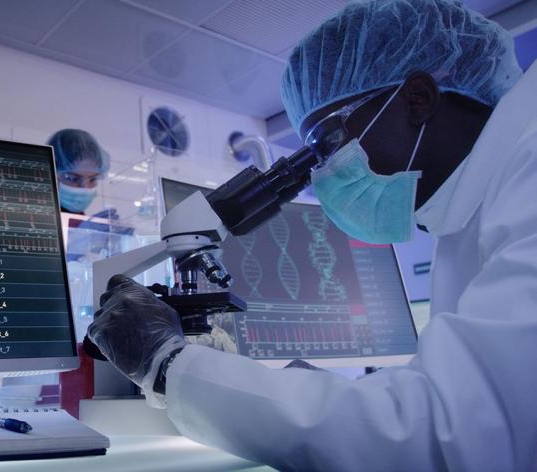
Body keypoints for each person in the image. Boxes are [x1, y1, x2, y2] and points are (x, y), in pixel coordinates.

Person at [87, 0, 537, 469]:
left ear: (416, 99)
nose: (321, 177)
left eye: (327, 144)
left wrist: (168, 365)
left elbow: (444, 434)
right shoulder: (480, 203)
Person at [48, 129, 109, 214]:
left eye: (92, 179)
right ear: (50, 175)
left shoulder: (80, 220)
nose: (85, 188)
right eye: (73, 179)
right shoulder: (36, 214)